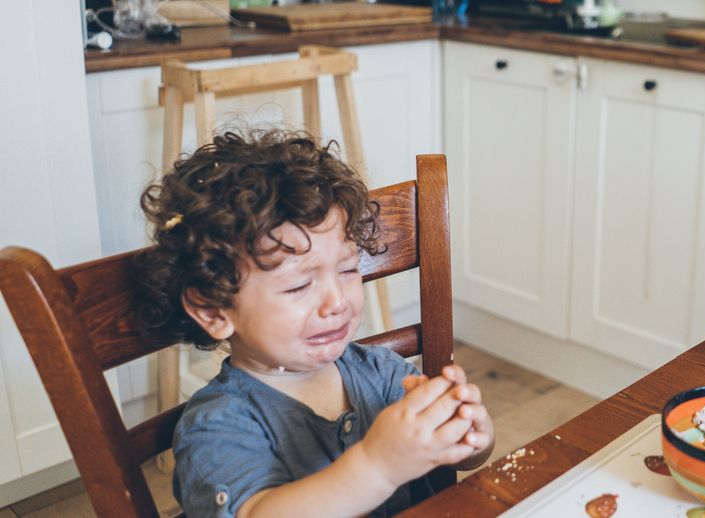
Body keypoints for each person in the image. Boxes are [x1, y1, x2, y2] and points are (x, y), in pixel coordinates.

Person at [135, 130, 494, 517]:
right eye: (299, 285)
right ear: (214, 311)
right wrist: (378, 466)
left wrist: (469, 432)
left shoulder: (381, 373)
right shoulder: (217, 426)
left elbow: (459, 456)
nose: (336, 301)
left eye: (347, 268)